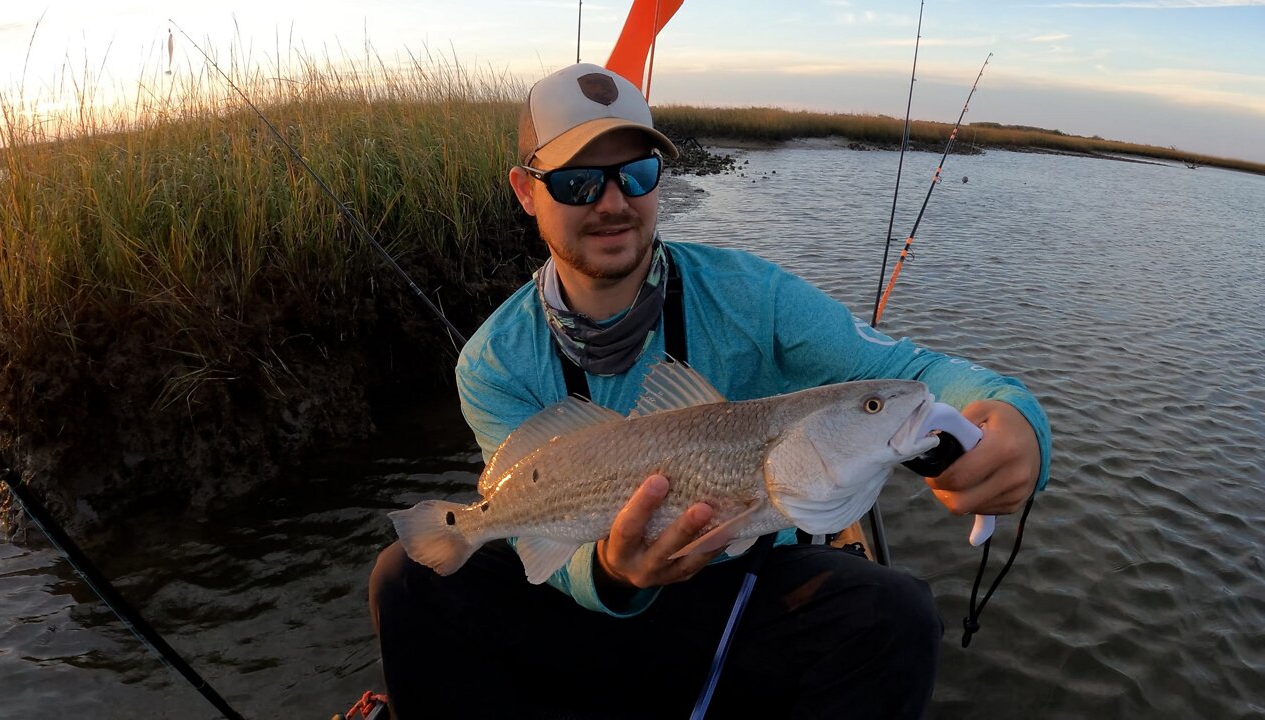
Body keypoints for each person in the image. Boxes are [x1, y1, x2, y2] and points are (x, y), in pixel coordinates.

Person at [368, 62, 1051, 720]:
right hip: (588, 598)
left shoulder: (752, 294)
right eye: (578, 182)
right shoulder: (492, 361)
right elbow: (537, 541)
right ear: (525, 191)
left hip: (743, 590)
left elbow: (917, 372)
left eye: (636, 174)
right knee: (408, 581)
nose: (613, 203)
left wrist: (1012, 420)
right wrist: (611, 571)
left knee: (895, 615)